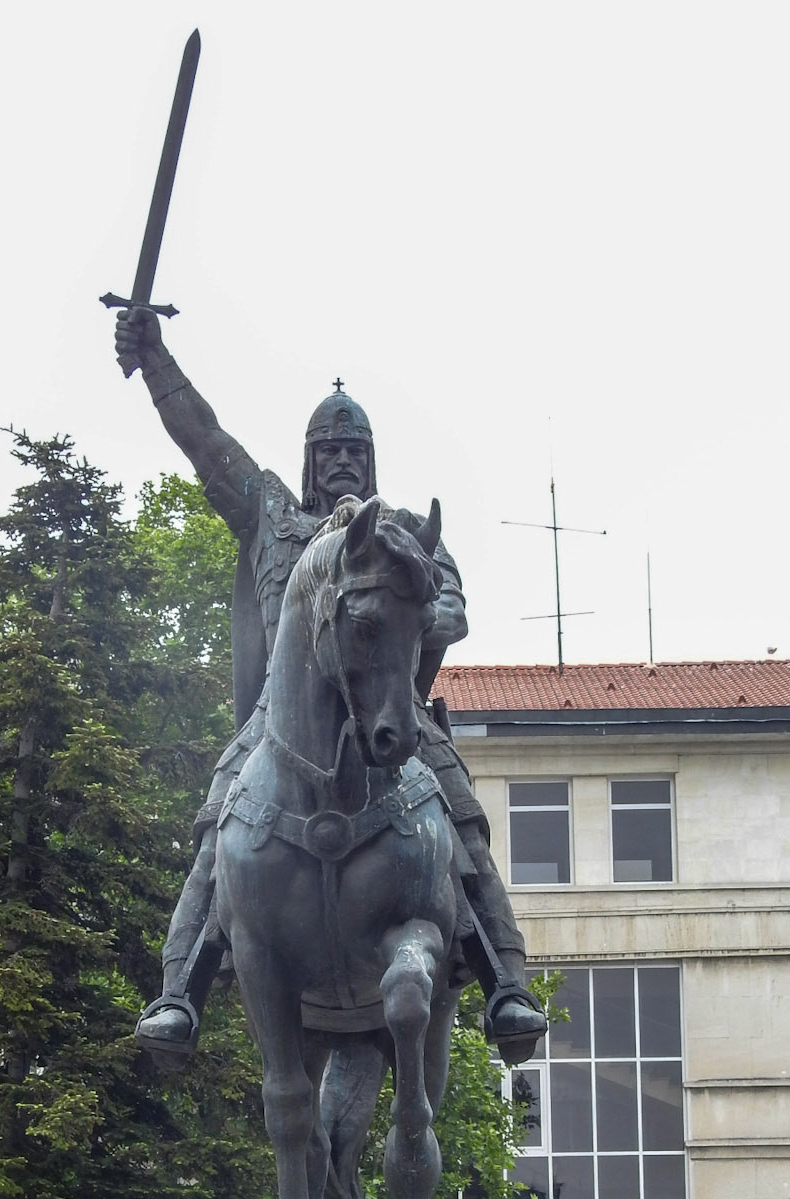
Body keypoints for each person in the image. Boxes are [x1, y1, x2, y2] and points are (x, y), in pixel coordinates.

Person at [114, 307, 547, 1065]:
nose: (342, 460)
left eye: (355, 450)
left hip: (390, 708)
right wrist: (154, 361)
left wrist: (414, 614)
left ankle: (506, 982)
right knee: (216, 828)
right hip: (275, 722)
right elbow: (206, 441)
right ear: (310, 458)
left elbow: (451, 608)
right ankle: (179, 991)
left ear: (371, 460)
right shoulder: (271, 516)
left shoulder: (405, 532)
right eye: (330, 449)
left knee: (462, 816)